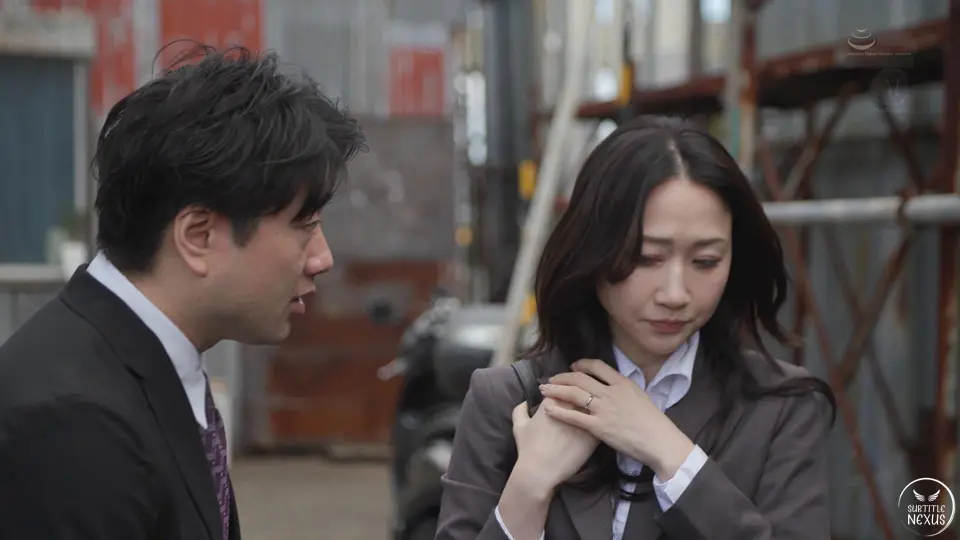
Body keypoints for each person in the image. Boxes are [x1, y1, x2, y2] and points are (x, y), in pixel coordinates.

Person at [0, 44, 365, 539]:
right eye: (304, 225)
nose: (323, 258)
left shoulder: (147, 363)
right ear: (198, 236)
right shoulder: (72, 424)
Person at [436, 115, 837, 540]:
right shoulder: (507, 401)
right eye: (646, 258)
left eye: (706, 261)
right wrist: (529, 487)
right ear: (593, 250)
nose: (675, 294)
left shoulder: (781, 410)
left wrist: (669, 451)